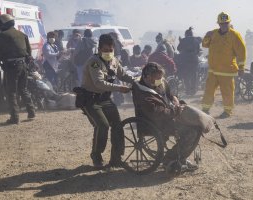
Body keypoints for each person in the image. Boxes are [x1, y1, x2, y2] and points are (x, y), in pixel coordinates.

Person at [132, 62, 201, 169]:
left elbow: (170, 94)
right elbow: (157, 113)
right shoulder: (143, 92)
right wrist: (176, 110)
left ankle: (180, 158)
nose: (160, 80)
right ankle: (170, 159)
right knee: (191, 131)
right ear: (148, 77)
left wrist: (175, 100)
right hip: (155, 123)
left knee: (197, 125)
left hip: (169, 116)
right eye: (157, 77)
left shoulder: (159, 82)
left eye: (161, 77)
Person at [80, 34, 134, 168]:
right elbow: (99, 83)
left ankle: (116, 158)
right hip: (90, 100)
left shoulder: (114, 61)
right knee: (102, 126)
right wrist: (119, 88)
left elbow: (123, 75)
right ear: (99, 49)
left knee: (118, 126)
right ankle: (96, 156)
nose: (109, 53)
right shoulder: (94, 62)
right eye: (105, 50)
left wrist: (138, 81)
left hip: (105, 99)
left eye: (111, 50)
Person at [0, 14, 35, 124]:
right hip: (23, 65)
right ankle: (31, 111)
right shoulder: (22, 34)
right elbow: (29, 51)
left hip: (11, 66)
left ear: (3, 24)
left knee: (11, 92)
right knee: (23, 89)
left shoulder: (2, 35)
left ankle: (14, 117)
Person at [201, 12, 246, 118]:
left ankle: (227, 111)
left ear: (229, 23)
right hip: (213, 70)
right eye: (222, 23)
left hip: (227, 70)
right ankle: (205, 109)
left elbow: (241, 51)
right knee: (208, 90)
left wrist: (241, 67)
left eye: (226, 23)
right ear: (218, 24)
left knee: (227, 92)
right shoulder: (213, 33)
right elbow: (204, 44)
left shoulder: (235, 35)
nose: (224, 25)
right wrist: (207, 36)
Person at [176, 27, 201, 95]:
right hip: (194, 60)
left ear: (186, 34)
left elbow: (178, 48)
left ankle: (187, 90)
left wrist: (181, 41)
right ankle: (193, 90)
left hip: (185, 60)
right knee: (194, 75)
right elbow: (198, 51)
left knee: (185, 75)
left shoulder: (183, 40)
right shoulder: (196, 40)